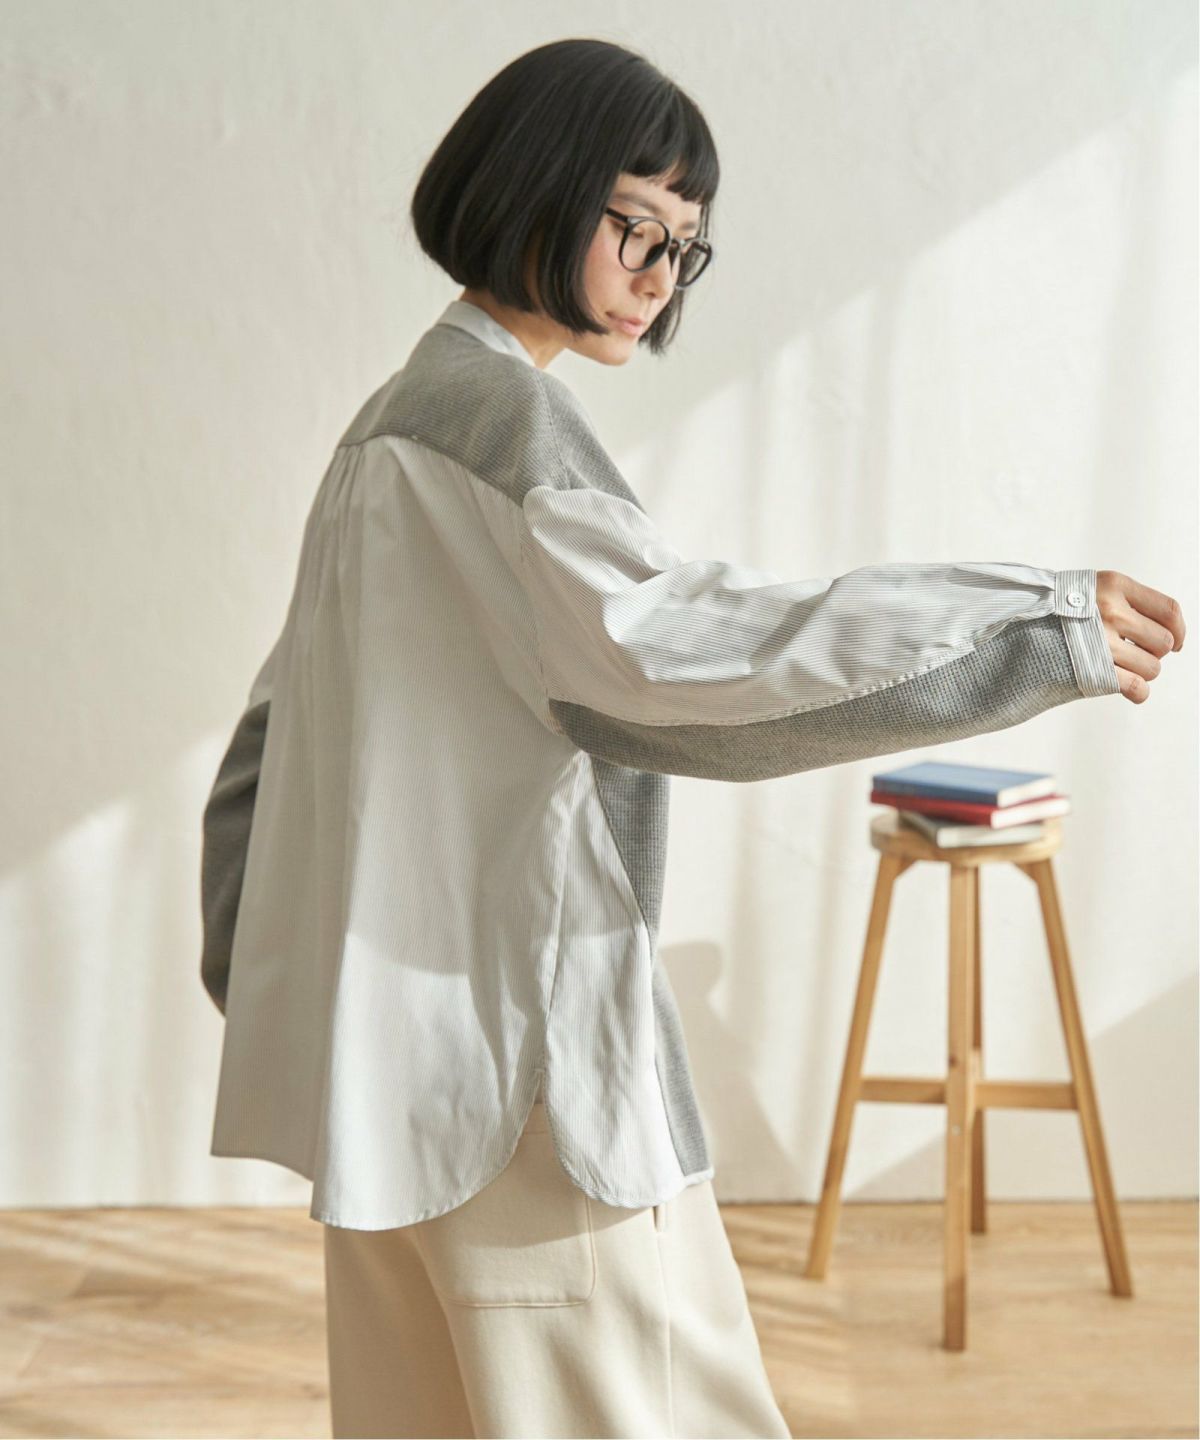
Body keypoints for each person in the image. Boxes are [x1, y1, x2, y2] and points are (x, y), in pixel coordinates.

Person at [198, 37, 1186, 1440]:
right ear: (532, 186)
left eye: (683, 247)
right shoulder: (503, 427)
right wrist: (1034, 624)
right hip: (526, 1093)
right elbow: (690, 659)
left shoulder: (382, 434)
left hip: (385, 1087)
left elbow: (265, 752)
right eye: (634, 227)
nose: (659, 275)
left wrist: (293, 994)